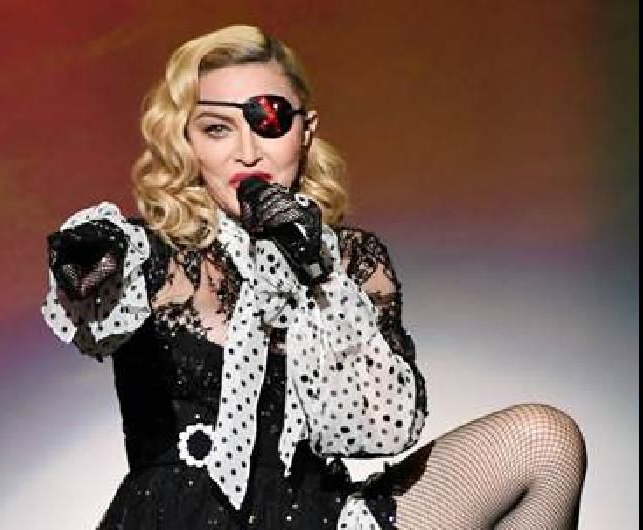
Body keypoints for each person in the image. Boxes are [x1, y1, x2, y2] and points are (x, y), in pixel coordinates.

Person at [42, 25, 587, 529]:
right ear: (188, 143)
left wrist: (317, 276)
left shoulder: (349, 263)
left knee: (545, 442)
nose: (248, 151)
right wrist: (87, 262)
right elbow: (87, 297)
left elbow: (383, 430)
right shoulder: (153, 255)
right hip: (180, 517)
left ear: (306, 132)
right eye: (217, 128)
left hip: (320, 516)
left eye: (270, 121)